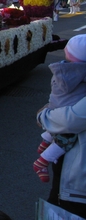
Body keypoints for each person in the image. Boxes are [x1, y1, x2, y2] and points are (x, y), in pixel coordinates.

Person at [38, 38, 86, 218]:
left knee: (62, 209)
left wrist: (43, 115)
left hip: (79, 180)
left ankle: (42, 159)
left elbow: (70, 119)